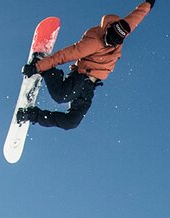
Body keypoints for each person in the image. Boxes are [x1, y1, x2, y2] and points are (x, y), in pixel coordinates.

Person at [19, 2, 155, 131]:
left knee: (72, 122)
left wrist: (149, 3)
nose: (108, 44)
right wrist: (38, 66)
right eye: (108, 39)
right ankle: (48, 70)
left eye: (113, 43)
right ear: (108, 30)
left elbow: (137, 16)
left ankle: (32, 115)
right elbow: (64, 56)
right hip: (81, 78)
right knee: (60, 96)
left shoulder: (123, 29)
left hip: (90, 88)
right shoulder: (94, 42)